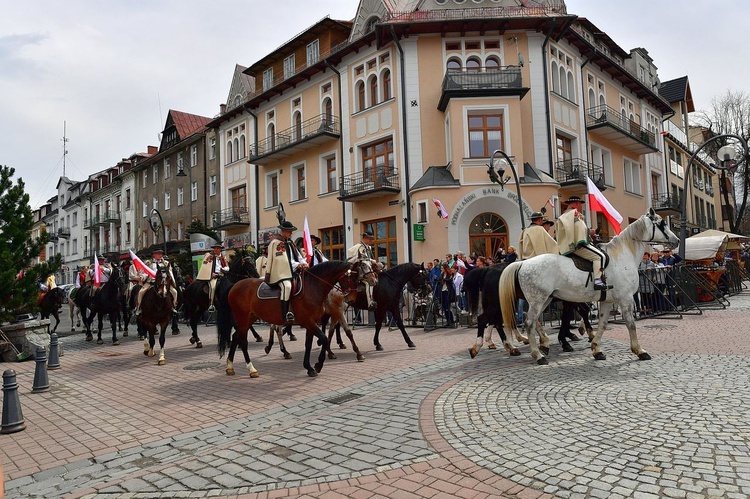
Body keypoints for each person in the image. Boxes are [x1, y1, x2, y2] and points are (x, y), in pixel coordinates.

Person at [555, 195, 609, 290]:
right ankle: (598, 281)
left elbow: (574, 230)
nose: (581, 206)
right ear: (576, 203)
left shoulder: (564, 216)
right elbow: (578, 228)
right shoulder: (574, 214)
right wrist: (590, 232)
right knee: (600, 257)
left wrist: (587, 233)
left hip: (565, 246)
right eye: (580, 204)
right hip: (576, 246)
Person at [266, 220, 308, 324]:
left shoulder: (291, 243)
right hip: (281, 274)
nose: (291, 233)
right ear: (283, 231)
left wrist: (304, 262)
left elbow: (298, 256)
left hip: (293, 272)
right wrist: (297, 265)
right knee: (287, 287)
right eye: (289, 231)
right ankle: (284, 315)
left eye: (291, 231)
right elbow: (283, 260)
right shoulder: (276, 243)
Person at [134, 249, 178, 316]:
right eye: (158, 254)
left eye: (161, 254)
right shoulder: (149, 263)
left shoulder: (165, 263)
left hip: (164, 283)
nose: (160, 255)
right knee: (141, 292)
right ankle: (139, 308)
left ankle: (173, 307)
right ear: (154, 255)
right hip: (151, 282)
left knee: (175, 292)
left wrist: (171, 281)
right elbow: (146, 272)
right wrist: (142, 277)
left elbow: (170, 273)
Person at [347, 231, 380, 310]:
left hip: (366, 268)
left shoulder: (367, 247)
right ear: (365, 238)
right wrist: (371, 260)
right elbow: (361, 258)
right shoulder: (360, 247)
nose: (371, 241)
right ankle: (370, 302)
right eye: (369, 239)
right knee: (369, 283)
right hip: (360, 270)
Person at [200, 243, 229, 312]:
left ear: (220, 250)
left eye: (217, 248)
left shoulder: (223, 258)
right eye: (215, 248)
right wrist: (210, 273)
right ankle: (211, 304)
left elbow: (227, 268)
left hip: (222, 275)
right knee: (213, 287)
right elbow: (205, 265)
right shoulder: (210, 257)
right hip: (213, 276)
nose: (215, 249)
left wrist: (223, 269)